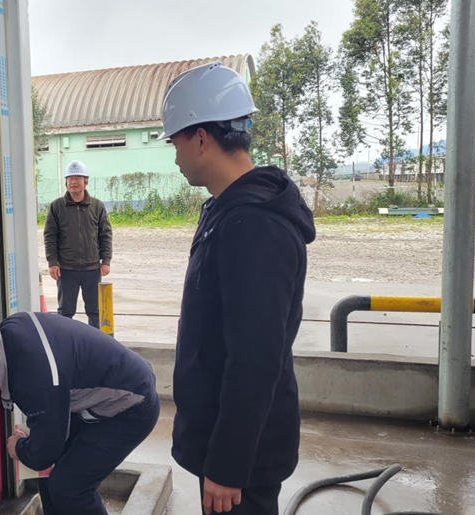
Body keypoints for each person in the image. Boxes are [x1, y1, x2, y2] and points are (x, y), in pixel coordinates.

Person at [159, 63, 315, 515]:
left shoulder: (255, 225)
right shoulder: (226, 210)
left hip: (242, 460)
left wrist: (228, 465)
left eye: (175, 142)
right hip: (222, 442)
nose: (175, 157)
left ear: (201, 138)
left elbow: (255, 358)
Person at [0, 313, 159, 515]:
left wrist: (19, 448)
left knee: (70, 487)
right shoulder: (13, 328)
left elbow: (43, 454)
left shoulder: (32, 381)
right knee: (49, 477)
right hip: (110, 390)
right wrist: (36, 443)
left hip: (131, 407)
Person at [43, 160, 113, 328]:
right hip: (66, 270)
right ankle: (66, 341)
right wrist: (52, 262)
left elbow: (105, 234)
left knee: (95, 311)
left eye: (77, 178)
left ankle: (95, 341)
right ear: (66, 182)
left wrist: (106, 261)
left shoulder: (97, 206)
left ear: (85, 181)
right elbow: (50, 236)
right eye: (70, 178)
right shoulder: (57, 206)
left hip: (92, 269)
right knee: (65, 312)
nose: (73, 182)